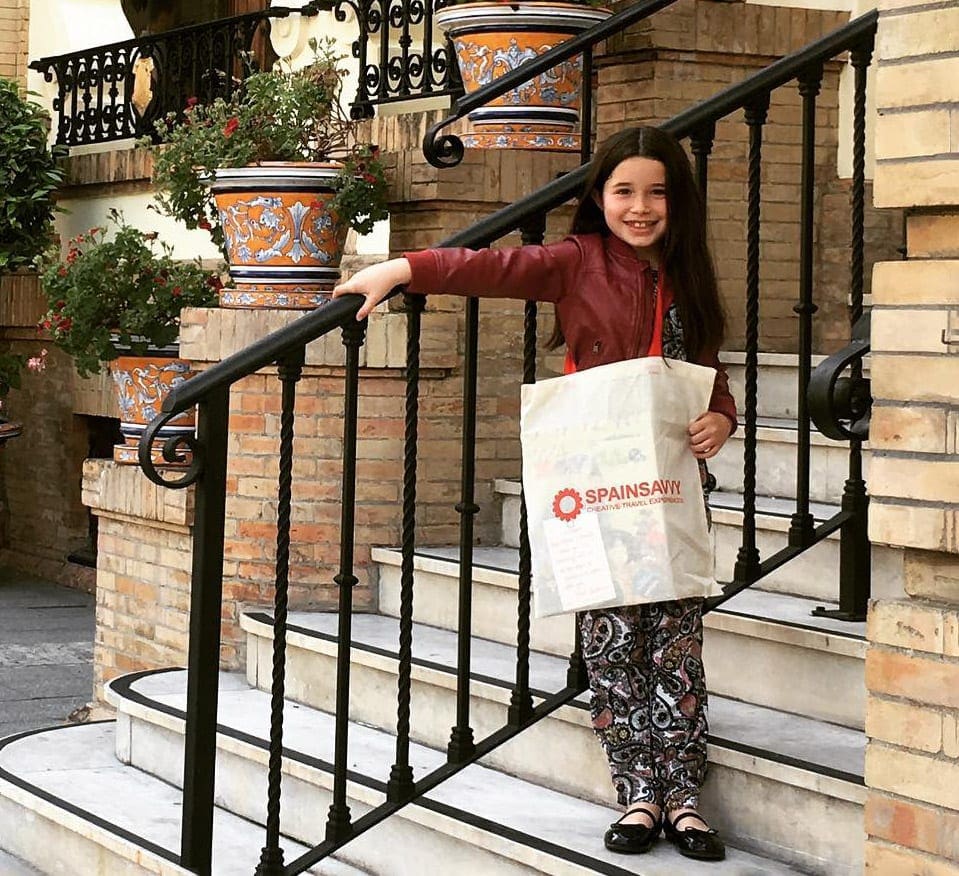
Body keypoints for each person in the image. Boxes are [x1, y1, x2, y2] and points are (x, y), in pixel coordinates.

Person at [333, 126, 736, 862]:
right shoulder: (578, 261)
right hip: (600, 481)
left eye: (656, 192)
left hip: (674, 483)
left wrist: (721, 417)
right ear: (599, 199)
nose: (640, 207)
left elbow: (708, 371)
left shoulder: (690, 271)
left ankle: (685, 800)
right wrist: (401, 268)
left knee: (676, 644)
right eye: (623, 192)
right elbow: (491, 266)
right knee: (613, 645)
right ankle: (639, 796)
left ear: (678, 201)